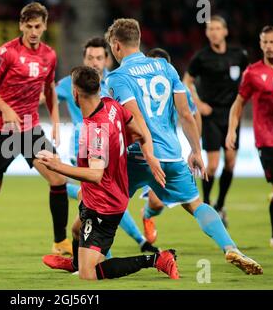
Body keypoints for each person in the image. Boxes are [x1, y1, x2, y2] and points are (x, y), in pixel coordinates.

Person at [105, 18, 262, 275]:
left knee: (109, 204)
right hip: (172, 154)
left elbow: (136, 119)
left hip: (138, 156)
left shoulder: (117, 77)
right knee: (196, 204)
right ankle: (230, 247)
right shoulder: (165, 68)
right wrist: (196, 150)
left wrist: (148, 154)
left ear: (116, 45)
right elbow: (186, 114)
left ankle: (101, 257)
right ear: (139, 39)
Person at [37, 66, 179, 280]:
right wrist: (115, 146)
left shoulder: (94, 129)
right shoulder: (111, 105)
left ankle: (157, 259)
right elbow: (139, 132)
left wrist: (57, 166)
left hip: (105, 204)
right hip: (101, 194)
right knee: (76, 229)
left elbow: (95, 175)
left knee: (89, 274)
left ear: (75, 93)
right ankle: (76, 262)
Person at [0, 2, 71, 257]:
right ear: (21, 25)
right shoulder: (7, 52)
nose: (33, 31)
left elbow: (50, 88)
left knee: (58, 177)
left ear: (44, 26)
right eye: (28, 26)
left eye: (38, 26)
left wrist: (54, 121)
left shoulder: (49, 55)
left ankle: (60, 241)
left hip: (29, 131)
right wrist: (6, 109)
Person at [56, 37, 159, 254]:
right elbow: (46, 96)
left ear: (107, 60)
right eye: (90, 57)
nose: (94, 62)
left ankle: (97, 257)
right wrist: (55, 123)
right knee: (95, 205)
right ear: (84, 59)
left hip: (109, 151)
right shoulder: (70, 83)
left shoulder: (114, 83)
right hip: (83, 149)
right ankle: (127, 246)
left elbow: (132, 116)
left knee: (99, 203)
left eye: (99, 58)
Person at [183, 15, 248, 227]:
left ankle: (220, 204)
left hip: (231, 116)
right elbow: (187, 81)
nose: (214, 32)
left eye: (218, 28)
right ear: (207, 33)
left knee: (230, 162)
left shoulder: (238, 55)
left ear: (225, 31)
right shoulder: (201, 57)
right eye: (210, 29)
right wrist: (198, 103)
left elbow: (248, 78)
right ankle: (208, 204)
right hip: (210, 115)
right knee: (211, 166)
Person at [139, 48, 202, 244]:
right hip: (144, 149)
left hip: (169, 149)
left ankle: (147, 214)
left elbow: (191, 114)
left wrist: (196, 147)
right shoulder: (138, 87)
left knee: (158, 204)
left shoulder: (177, 88)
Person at [226, 26, 273, 249]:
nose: (268, 46)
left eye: (272, 42)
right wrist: (231, 130)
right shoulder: (253, 72)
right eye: (265, 42)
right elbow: (238, 104)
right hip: (267, 140)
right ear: (260, 44)